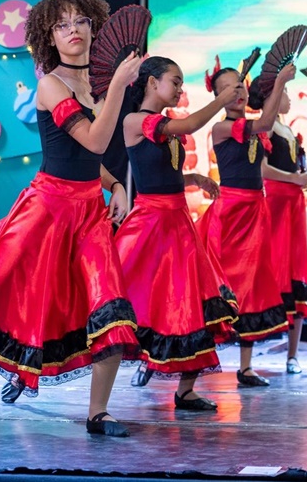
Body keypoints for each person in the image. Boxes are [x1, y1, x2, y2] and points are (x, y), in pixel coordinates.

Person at [0, 0, 143, 437]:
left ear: (93, 28)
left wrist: (115, 184)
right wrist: (118, 87)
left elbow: (87, 159)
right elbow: (94, 141)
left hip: (89, 214)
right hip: (45, 212)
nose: (73, 30)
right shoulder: (51, 84)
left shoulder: (96, 85)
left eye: (80, 21)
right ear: (50, 36)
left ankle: (98, 414)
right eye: (62, 25)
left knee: (110, 305)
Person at [116, 56, 241, 409]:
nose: (180, 89)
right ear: (152, 82)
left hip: (178, 223)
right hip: (150, 224)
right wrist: (221, 100)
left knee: (192, 305)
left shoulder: (163, 124)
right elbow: (190, 125)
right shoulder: (135, 121)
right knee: (126, 302)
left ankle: (185, 390)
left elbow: (164, 175)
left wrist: (193, 178)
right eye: (175, 81)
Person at [196, 62, 296, 386]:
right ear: (217, 96)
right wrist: (280, 82)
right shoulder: (221, 128)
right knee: (219, 288)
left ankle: (246, 367)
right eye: (228, 87)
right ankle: (190, 365)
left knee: (252, 286)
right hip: (231, 215)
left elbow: (263, 129)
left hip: (255, 211)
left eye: (239, 85)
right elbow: (264, 122)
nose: (236, 92)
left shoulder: (252, 127)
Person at [248, 77, 307, 374]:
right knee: (271, 268)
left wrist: (304, 177)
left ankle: (292, 355)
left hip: (293, 203)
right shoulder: (263, 129)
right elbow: (262, 169)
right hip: (275, 202)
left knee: (295, 268)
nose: (287, 97)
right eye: (284, 91)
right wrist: (293, 179)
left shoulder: (285, 129)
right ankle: (250, 356)